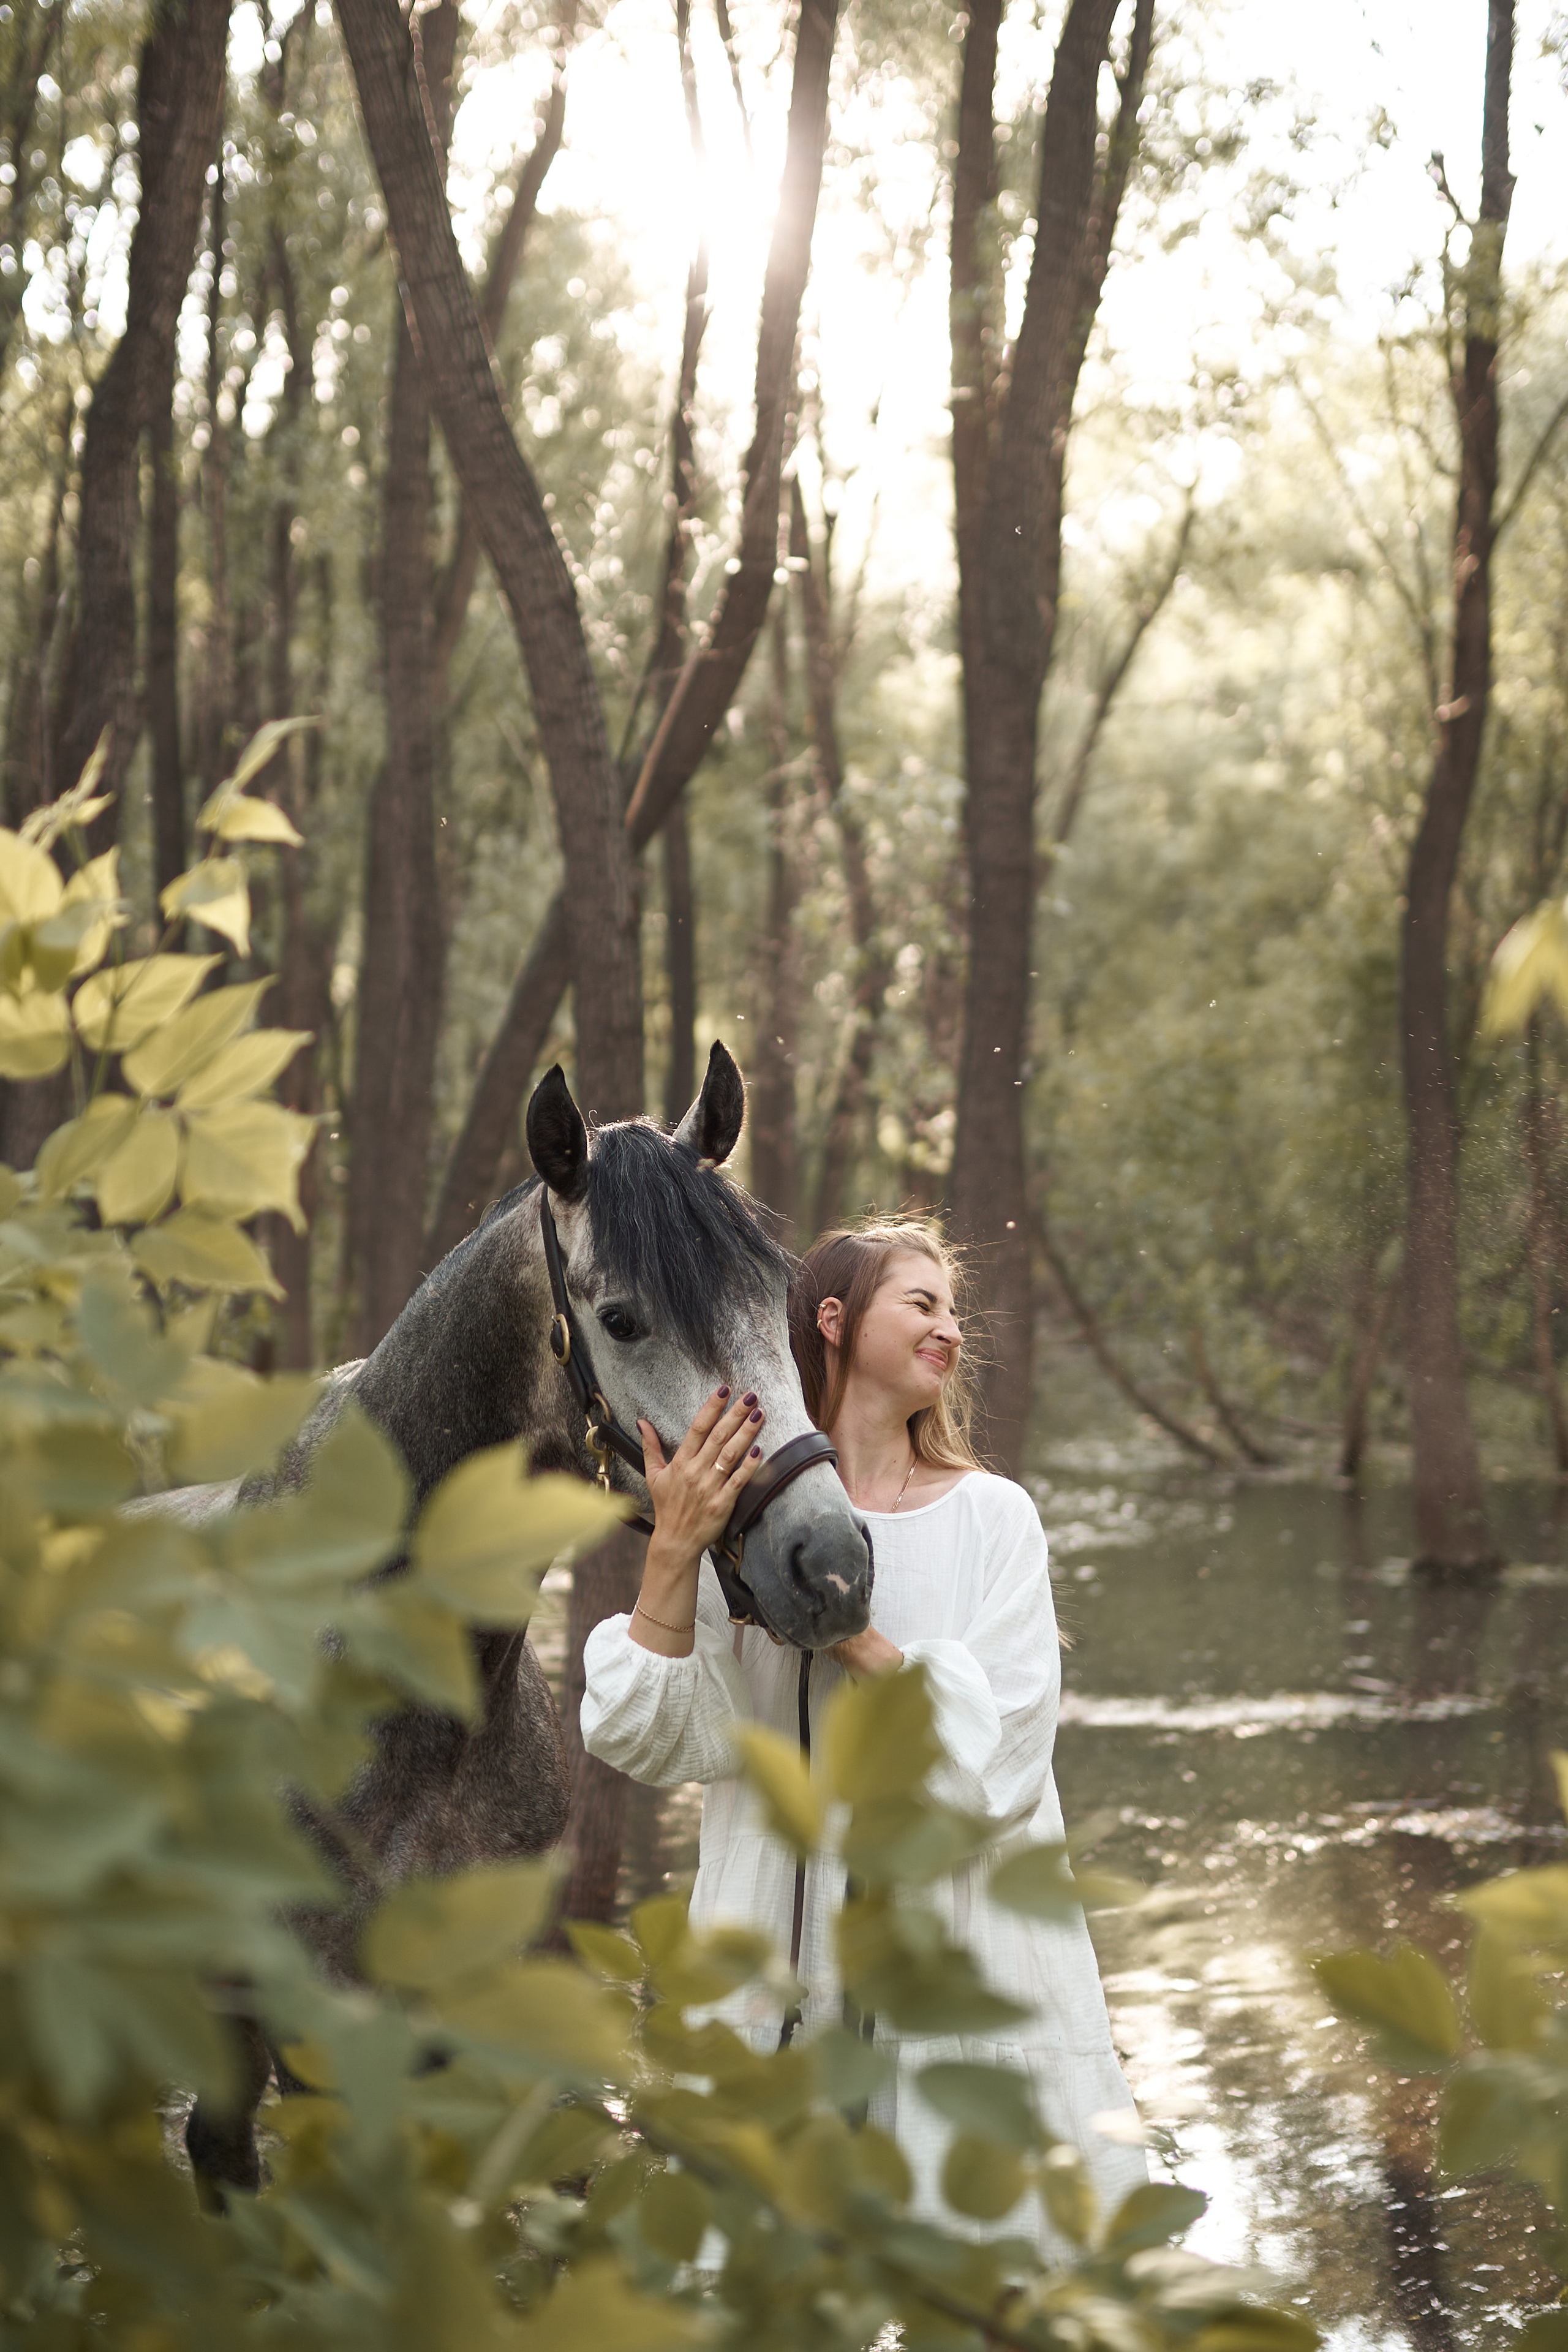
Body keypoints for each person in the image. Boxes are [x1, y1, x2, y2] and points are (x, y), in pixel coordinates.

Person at [579, 1218, 1145, 2251]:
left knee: (993, 2281)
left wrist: (836, 1619)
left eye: (955, 1311)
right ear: (833, 1320)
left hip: (961, 1950)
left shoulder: (995, 1519)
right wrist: (675, 1550)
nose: (951, 1329)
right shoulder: (737, 1518)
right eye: (921, 1304)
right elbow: (652, 1735)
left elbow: (1006, 1755)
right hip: (772, 1943)